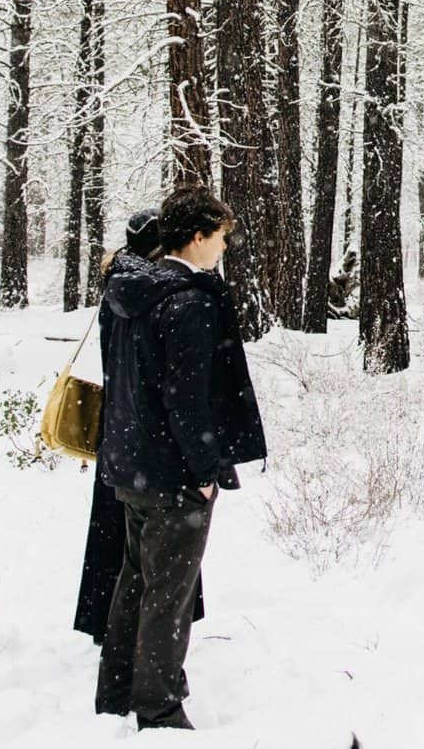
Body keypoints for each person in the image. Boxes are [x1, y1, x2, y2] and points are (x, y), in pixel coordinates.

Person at [94, 186, 268, 730]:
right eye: (219, 238)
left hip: (131, 463)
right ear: (197, 237)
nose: (223, 250)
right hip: (171, 473)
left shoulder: (129, 290)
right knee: (168, 592)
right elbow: (188, 399)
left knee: (136, 581)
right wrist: (203, 472)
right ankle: (160, 708)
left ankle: (117, 691)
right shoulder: (189, 301)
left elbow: (123, 378)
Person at [72, 210, 203, 644]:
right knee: (147, 539)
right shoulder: (151, 290)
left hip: (119, 423)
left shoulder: (122, 284)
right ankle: (137, 633)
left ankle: (107, 623)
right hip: (143, 427)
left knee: (118, 535)